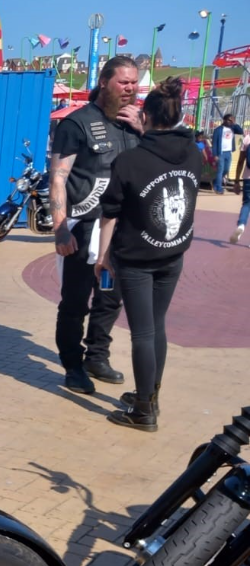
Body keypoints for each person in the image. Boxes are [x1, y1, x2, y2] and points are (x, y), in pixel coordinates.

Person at [95, 77, 202, 432]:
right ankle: (149, 394)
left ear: (146, 114)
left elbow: (110, 212)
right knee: (157, 327)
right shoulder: (193, 151)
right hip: (173, 254)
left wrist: (103, 255)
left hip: (137, 258)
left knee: (142, 332)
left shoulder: (129, 161)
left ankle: (143, 411)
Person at [48, 55, 142, 395]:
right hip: (83, 229)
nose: (131, 88)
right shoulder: (77, 124)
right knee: (75, 301)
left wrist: (143, 130)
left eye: (134, 82)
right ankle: (73, 365)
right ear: (104, 82)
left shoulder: (135, 123)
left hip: (122, 230)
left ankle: (97, 356)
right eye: (124, 82)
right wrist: (60, 228)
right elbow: (57, 177)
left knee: (109, 297)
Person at [212, 114, 244, 194]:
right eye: (229, 120)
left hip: (229, 152)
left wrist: (234, 123)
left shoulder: (232, 128)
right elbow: (215, 143)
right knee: (220, 170)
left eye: (232, 120)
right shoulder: (218, 130)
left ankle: (215, 181)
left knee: (226, 169)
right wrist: (215, 154)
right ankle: (218, 188)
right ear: (225, 120)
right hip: (221, 152)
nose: (231, 122)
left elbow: (241, 131)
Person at [232, 134, 250, 245]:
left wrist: (237, 181)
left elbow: (240, 161)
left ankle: (241, 225)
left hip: (248, 178)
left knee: (247, 204)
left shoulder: (247, 138)